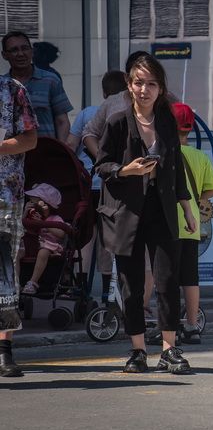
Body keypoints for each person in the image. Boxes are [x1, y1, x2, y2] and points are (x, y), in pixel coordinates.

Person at [94, 53, 197, 374]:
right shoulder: (118, 122)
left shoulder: (166, 120)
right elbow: (102, 165)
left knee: (168, 280)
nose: (144, 89)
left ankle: (170, 348)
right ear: (128, 85)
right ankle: (137, 350)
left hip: (162, 208)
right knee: (131, 284)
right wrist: (126, 170)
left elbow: (176, 167)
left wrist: (186, 207)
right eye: (138, 83)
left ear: (161, 88)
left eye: (151, 84)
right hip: (126, 211)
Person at [67, 70, 127, 300]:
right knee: (110, 239)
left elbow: (71, 145)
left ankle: (81, 286)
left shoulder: (87, 114)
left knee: (87, 237)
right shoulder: (127, 111)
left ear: (104, 92)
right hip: (114, 184)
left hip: (88, 185)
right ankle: (108, 290)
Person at [172, 103, 213, 343]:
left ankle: (168, 326)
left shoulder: (166, 153)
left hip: (169, 222)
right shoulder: (199, 157)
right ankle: (192, 325)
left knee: (168, 276)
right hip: (192, 225)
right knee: (190, 278)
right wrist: (198, 198)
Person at [0, 74, 38, 377]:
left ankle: (4, 351)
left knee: (5, 273)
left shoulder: (13, 90)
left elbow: (30, 138)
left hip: (5, 194)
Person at [1, 31, 72, 141]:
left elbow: (61, 121)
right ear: (4, 55)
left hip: (45, 154)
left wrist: (60, 150)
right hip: (12, 155)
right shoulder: (2, 86)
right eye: (14, 50)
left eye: (24, 48)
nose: (20, 54)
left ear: (31, 51)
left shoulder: (51, 80)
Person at [20, 183, 66, 295]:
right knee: (17, 250)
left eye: (37, 205)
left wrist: (43, 224)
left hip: (49, 247)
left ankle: (32, 282)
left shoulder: (55, 218)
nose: (34, 208)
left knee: (43, 252)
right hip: (32, 245)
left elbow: (61, 234)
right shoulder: (30, 216)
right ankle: (16, 282)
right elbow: (21, 226)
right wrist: (25, 212)